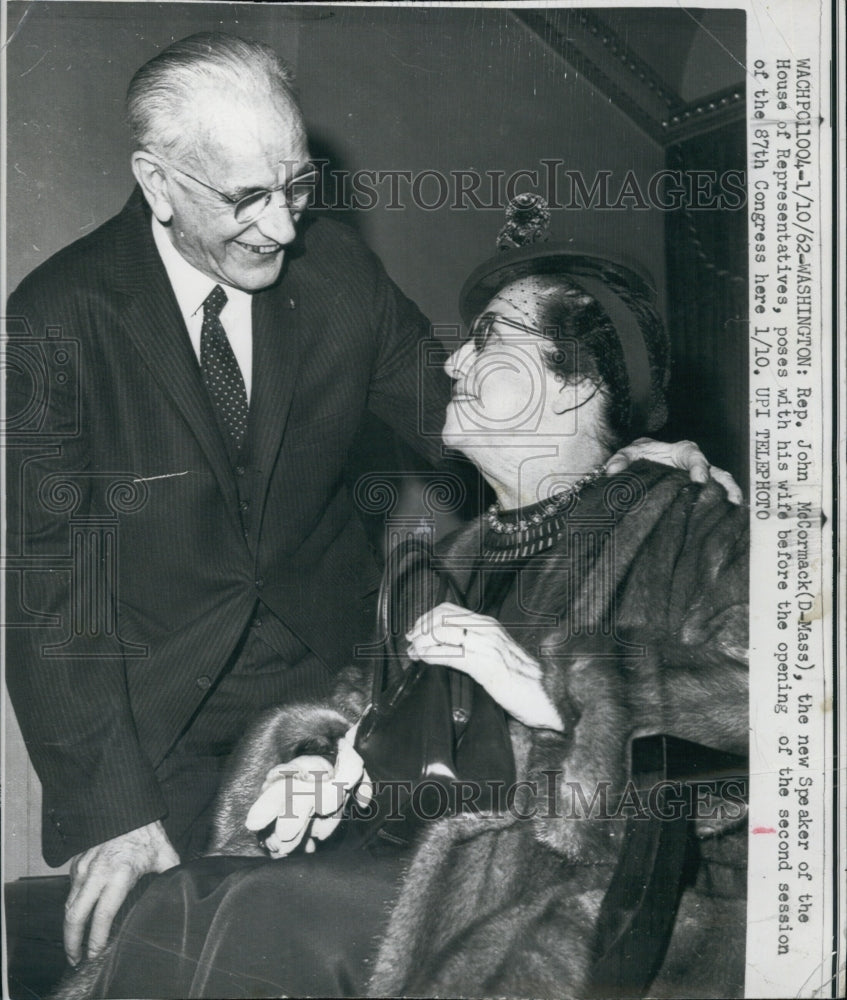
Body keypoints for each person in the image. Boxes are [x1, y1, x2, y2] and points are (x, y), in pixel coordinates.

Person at [4, 33, 727, 983]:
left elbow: (461, 414)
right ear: (159, 180)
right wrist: (115, 811)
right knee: (184, 940)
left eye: (297, 187)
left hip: (330, 692)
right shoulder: (56, 320)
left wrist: (619, 447)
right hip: (159, 718)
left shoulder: (336, 276)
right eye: (246, 199)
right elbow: (48, 585)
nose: (282, 226)